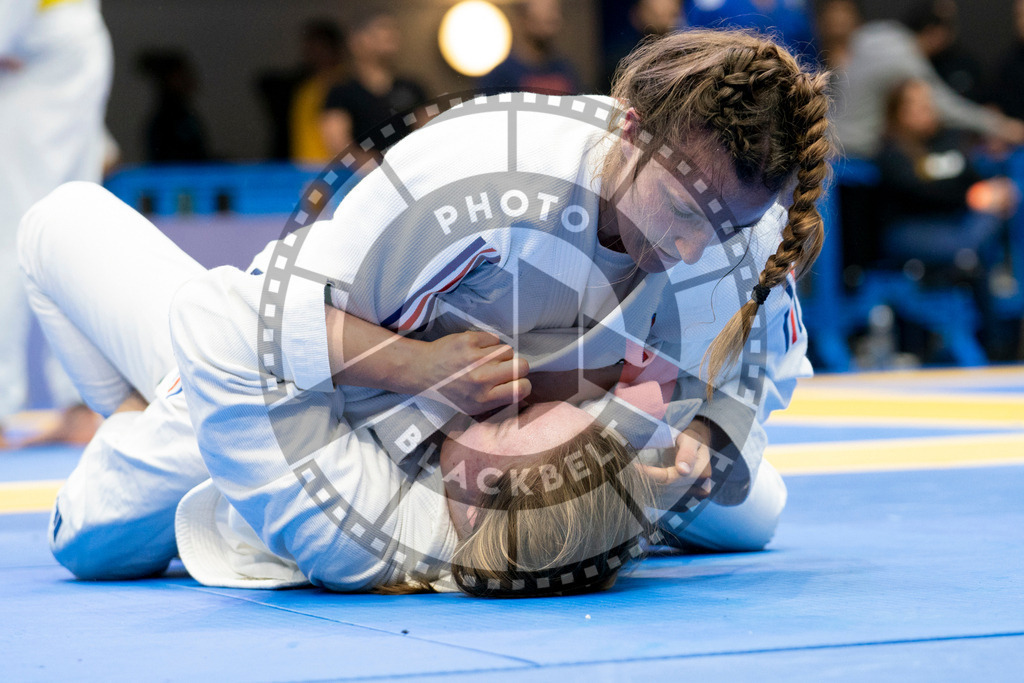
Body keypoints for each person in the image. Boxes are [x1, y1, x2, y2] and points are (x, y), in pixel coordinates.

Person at [26, 28, 828, 594]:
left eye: (723, 228)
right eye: (682, 212)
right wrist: (415, 364)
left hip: (453, 423)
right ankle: (158, 400)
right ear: (630, 129)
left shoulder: (736, 211)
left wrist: (710, 430)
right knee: (94, 526)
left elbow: (766, 355)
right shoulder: (475, 170)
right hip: (335, 374)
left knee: (740, 495)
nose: (692, 248)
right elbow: (259, 321)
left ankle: (152, 401)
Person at [0, 0, 112, 447]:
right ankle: (82, 404)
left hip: (39, 50)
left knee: (13, 235)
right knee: (67, 233)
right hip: (70, 48)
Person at [832, 0, 1024, 159]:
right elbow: (944, 105)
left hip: (831, 141)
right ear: (935, 34)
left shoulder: (872, 34)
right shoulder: (905, 56)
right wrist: (1000, 126)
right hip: (857, 152)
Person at [320, 11, 426, 158]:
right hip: (365, 170)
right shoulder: (341, 91)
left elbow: (428, 132)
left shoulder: (411, 87)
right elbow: (337, 143)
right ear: (356, 40)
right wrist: (366, 162)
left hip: (408, 166)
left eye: (393, 29)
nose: (390, 34)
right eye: (381, 29)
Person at [478, 0, 582, 96]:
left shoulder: (564, 70)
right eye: (544, 20)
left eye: (553, 18)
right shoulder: (501, 76)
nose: (551, 28)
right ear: (523, 19)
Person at [289, 20, 346, 165]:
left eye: (318, 47)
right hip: (305, 169)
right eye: (308, 47)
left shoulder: (346, 86)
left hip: (336, 170)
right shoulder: (306, 88)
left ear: (333, 48)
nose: (310, 53)